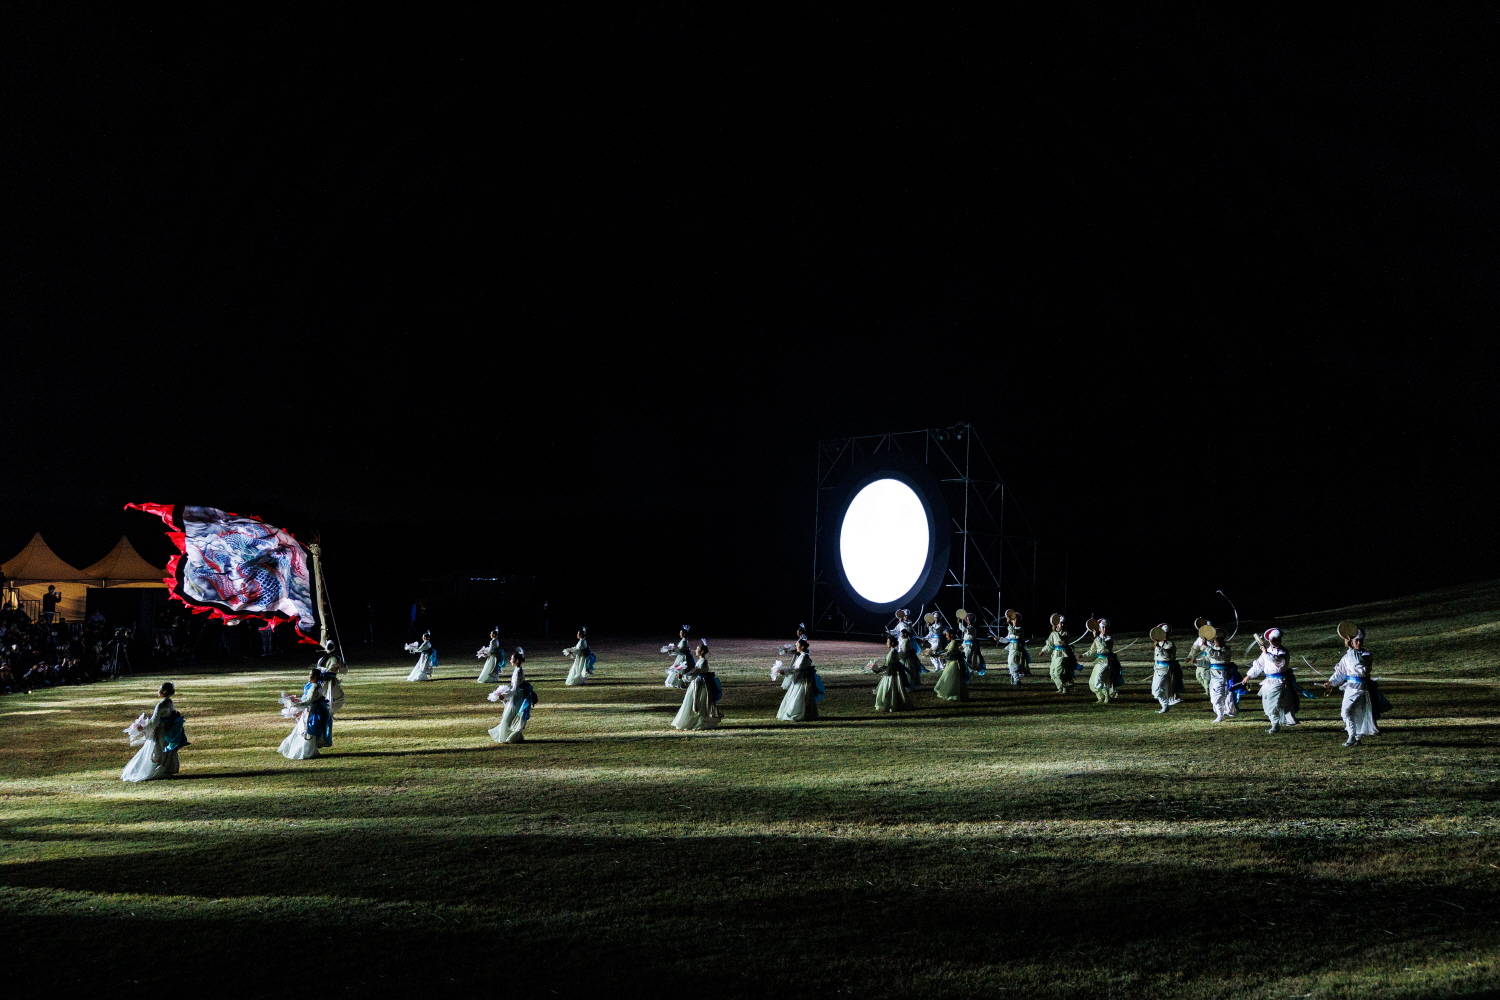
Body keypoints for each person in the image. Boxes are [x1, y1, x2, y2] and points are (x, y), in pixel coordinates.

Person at [1324, 629, 1386, 746]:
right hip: (1350, 689)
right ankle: (1354, 736)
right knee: (1346, 713)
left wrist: (1350, 648)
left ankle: (1354, 737)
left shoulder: (1366, 655)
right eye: (1356, 640)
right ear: (1351, 641)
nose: (1358, 643)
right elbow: (1340, 672)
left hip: (1362, 689)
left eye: (1360, 640)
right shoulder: (1347, 656)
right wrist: (1331, 682)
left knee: (1355, 713)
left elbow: (1358, 662)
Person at [121, 682, 188, 781]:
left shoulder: (161, 705)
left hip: (161, 730)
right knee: (164, 750)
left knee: (157, 749)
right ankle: (164, 769)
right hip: (168, 729)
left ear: (164, 691)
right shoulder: (169, 702)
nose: (159, 691)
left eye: (160, 689)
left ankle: (156, 770)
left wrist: (142, 728)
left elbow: (153, 722)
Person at [1244, 628, 1299, 733]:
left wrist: (1266, 653)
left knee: (1272, 704)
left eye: (1279, 639)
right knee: (1267, 704)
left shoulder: (1283, 651)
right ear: (1270, 641)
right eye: (1274, 640)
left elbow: (1277, 661)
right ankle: (1275, 723)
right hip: (1268, 682)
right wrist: (1248, 676)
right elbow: (1259, 665)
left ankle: (1275, 725)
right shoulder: (1267, 652)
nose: (1277, 641)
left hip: (1280, 681)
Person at [277, 668, 333, 760]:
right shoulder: (312, 685)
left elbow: (308, 701)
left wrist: (293, 704)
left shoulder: (314, 688)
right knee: (303, 729)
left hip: (313, 711)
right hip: (311, 709)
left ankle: (306, 752)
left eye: (310, 675)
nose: (308, 676)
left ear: (315, 677)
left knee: (307, 729)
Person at [487, 650, 537, 743]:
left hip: (516, 698)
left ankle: (508, 737)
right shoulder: (518, 670)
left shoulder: (518, 672)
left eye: (511, 659)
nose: (510, 661)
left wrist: (504, 696)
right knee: (510, 717)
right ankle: (511, 736)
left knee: (508, 718)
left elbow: (515, 689)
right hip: (517, 696)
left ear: (517, 660)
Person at [673, 642, 723, 730]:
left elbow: (696, 672)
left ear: (702, 651)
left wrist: (683, 677)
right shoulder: (700, 660)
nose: (695, 650)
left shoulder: (703, 661)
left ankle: (698, 720)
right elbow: (694, 671)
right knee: (694, 700)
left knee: (699, 701)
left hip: (701, 683)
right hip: (698, 681)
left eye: (697, 649)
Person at [775, 638, 822, 721]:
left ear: (802, 647)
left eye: (797, 645)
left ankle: (799, 713)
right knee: (794, 695)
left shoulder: (804, 657)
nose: (796, 647)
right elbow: (794, 667)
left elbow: (797, 669)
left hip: (803, 681)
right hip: (798, 679)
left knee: (800, 697)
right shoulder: (801, 656)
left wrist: (784, 671)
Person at [872, 635, 913, 712]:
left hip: (892, 673)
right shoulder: (894, 651)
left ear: (892, 643)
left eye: (888, 641)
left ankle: (891, 705)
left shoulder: (892, 652)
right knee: (894, 688)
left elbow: (887, 664)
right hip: (894, 671)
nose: (886, 643)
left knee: (889, 688)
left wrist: (878, 670)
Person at [1205, 632, 1238, 722]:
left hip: (1223, 675)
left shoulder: (1226, 649)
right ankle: (1220, 714)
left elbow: (1218, 655)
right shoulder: (1212, 649)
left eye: (1220, 639)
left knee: (1219, 695)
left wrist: (1206, 647)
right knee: (1214, 695)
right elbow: (1207, 659)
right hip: (1213, 675)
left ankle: (1220, 715)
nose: (1218, 641)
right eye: (1216, 639)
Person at [1150, 624, 1183, 714]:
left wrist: (1158, 647)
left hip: (1166, 669)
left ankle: (1166, 704)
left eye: (1166, 633)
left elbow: (1167, 655)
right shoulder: (1159, 643)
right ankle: (1164, 706)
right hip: (1158, 669)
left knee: (1159, 689)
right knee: (1156, 690)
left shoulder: (1170, 644)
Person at [932, 628, 969, 702]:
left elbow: (948, 653)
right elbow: (945, 650)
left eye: (947, 634)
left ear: (951, 635)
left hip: (955, 663)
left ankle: (953, 694)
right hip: (951, 662)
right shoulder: (951, 642)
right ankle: (953, 694)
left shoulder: (954, 643)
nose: (946, 636)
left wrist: (936, 655)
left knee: (951, 678)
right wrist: (936, 652)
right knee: (951, 678)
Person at [1088, 620, 1120, 705]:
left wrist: (1095, 637)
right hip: (1099, 662)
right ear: (1099, 628)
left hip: (1107, 662)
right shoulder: (1097, 639)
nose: (1104, 629)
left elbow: (1104, 646)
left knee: (1099, 680)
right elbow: (1092, 650)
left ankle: (1106, 695)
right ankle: (1103, 698)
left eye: (1106, 627)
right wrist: (1082, 655)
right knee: (1098, 681)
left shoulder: (1109, 638)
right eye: (1102, 627)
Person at [1045, 614, 1077, 693]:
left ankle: (1066, 684)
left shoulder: (1066, 633)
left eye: (1063, 623)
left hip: (1063, 654)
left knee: (1058, 673)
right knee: (1052, 673)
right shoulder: (1053, 633)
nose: (1062, 625)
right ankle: (1061, 688)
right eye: (1060, 623)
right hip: (1055, 654)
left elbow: (1061, 640)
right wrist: (1043, 651)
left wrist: (1055, 631)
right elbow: (1049, 644)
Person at [1002, 613, 1029, 685]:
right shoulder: (1011, 629)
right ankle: (1016, 680)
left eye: (1017, 620)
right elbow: (1007, 639)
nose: (1015, 621)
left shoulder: (1020, 629)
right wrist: (999, 639)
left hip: (1018, 649)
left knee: (1016, 665)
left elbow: (1014, 632)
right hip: (1012, 649)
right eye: (1013, 620)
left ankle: (1016, 680)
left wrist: (1009, 624)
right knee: (1011, 664)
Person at [961, 613, 988, 679]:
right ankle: (971, 670)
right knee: (969, 658)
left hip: (971, 645)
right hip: (967, 644)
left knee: (967, 658)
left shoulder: (972, 628)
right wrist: (962, 645)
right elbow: (965, 638)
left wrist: (959, 624)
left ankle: (970, 670)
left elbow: (966, 631)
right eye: (968, 620)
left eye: (970, 620)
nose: (969, 621)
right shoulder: (968, 627)